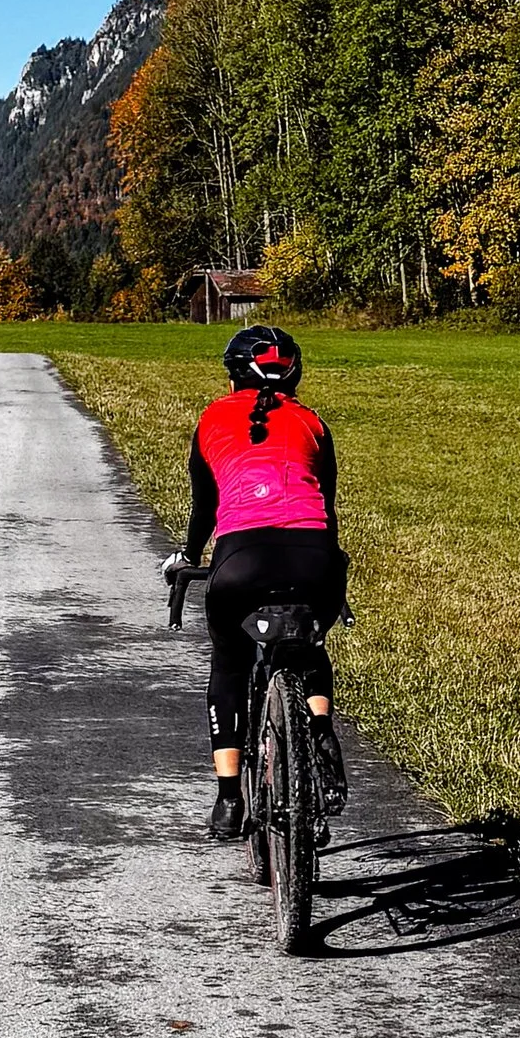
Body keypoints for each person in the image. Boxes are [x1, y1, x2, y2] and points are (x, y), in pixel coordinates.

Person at [165, 324, 348, 840]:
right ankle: (317, 732)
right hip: (315, 558)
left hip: (241, 559)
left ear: (232, 377)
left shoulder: (211, 420)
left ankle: (228, 800)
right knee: (310, 646)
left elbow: (206, 507)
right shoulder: (312, 422)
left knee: (229, 662)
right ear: (295, 374)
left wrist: (188, 555)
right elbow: (326, 509)